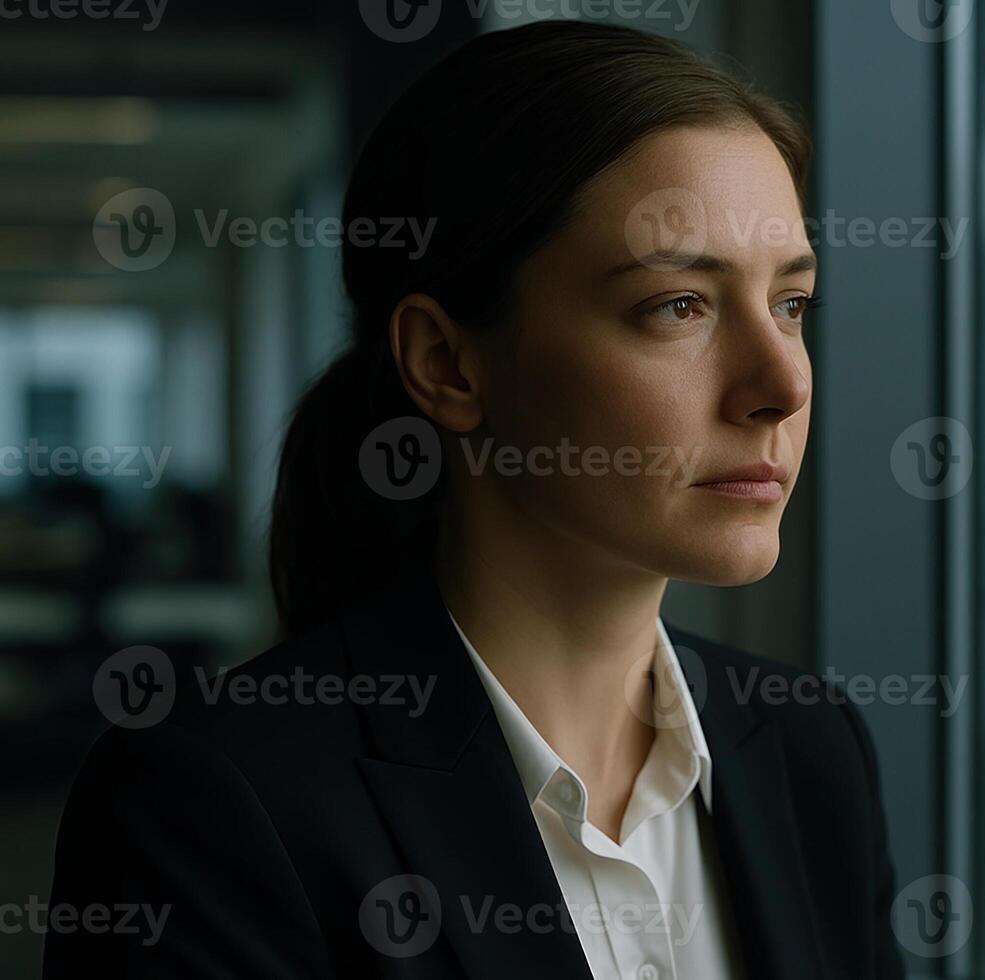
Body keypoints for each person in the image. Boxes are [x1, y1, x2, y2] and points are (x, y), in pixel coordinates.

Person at [45, 19, 906, 979]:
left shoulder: (809, 747)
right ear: (448, 363)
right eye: (679, 306)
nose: (781, 385)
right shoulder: (210, 811)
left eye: (792, 305)